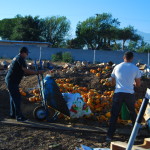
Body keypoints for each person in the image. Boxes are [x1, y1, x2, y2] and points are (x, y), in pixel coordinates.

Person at [106, 51, 141, 142]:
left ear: (123, 57)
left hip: (118, 93)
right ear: (132, 58)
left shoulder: (117, 67)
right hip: (129, 94)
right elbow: (138, 84)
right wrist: (133, 83)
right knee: (132, 113)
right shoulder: (135, 68)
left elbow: (112, 81)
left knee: (114, 114)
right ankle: (136, 133)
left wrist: (117, 84)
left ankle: (109, 136)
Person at [5, 47, 44, 122]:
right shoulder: (20, 59)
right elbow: (26, 70)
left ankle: (13, 114)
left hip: (11, 80)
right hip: (12, 81)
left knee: (13, 97)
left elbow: (24, 72)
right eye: (27, 53)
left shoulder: (17, 58)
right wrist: (37, 72)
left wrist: (33, 72)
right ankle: (19, 117)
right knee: (17, 98)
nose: (27, 55)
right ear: (23, 52)